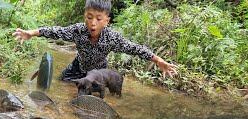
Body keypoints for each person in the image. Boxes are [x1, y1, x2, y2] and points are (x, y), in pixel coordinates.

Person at [12, 0, 177, 81]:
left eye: (98, 18)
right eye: (89, 17)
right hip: (78, 66)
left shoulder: (112, 38)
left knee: (93, 99)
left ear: (107, 21)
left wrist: (158, 60)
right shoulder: (78, 30)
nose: (93, 23)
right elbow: (56, 31)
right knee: (61, 84)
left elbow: (133, 48)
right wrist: (32, 33)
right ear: (85, 16)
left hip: (98, 72)